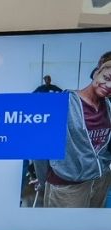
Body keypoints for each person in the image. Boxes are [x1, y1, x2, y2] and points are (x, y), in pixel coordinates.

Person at [43, 51, 111, 208]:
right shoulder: (64, 103)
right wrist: (41, 177)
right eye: (107, 78)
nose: (109, 86)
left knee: (89, 228)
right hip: (69, 183)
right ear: (96, 72)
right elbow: (42, 144)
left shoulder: (108, 107)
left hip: (99, 179)